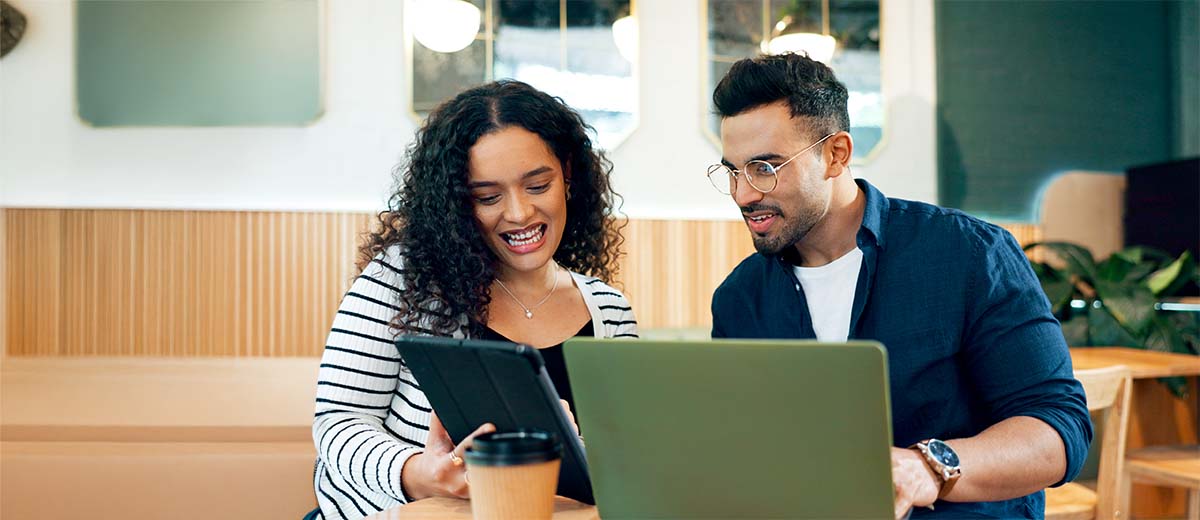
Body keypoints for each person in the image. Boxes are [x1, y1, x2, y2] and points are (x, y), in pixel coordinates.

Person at [707, 53, 1092, 519]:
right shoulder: (739, 299)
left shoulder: (969, 254)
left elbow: (1058, 431)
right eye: (733, 170)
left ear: (836, 154)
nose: (744, 194)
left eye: (765, 168)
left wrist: (930, 468)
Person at [310, 80, 638, 520]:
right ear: (456, 204)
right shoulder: (404, 278)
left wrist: (580, 450)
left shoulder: (609, 310)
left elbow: (615, 461)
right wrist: (417, 473)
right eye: (487, 197)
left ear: (568, 176)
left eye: (538, 186)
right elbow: (338, 422)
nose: (519, 213)